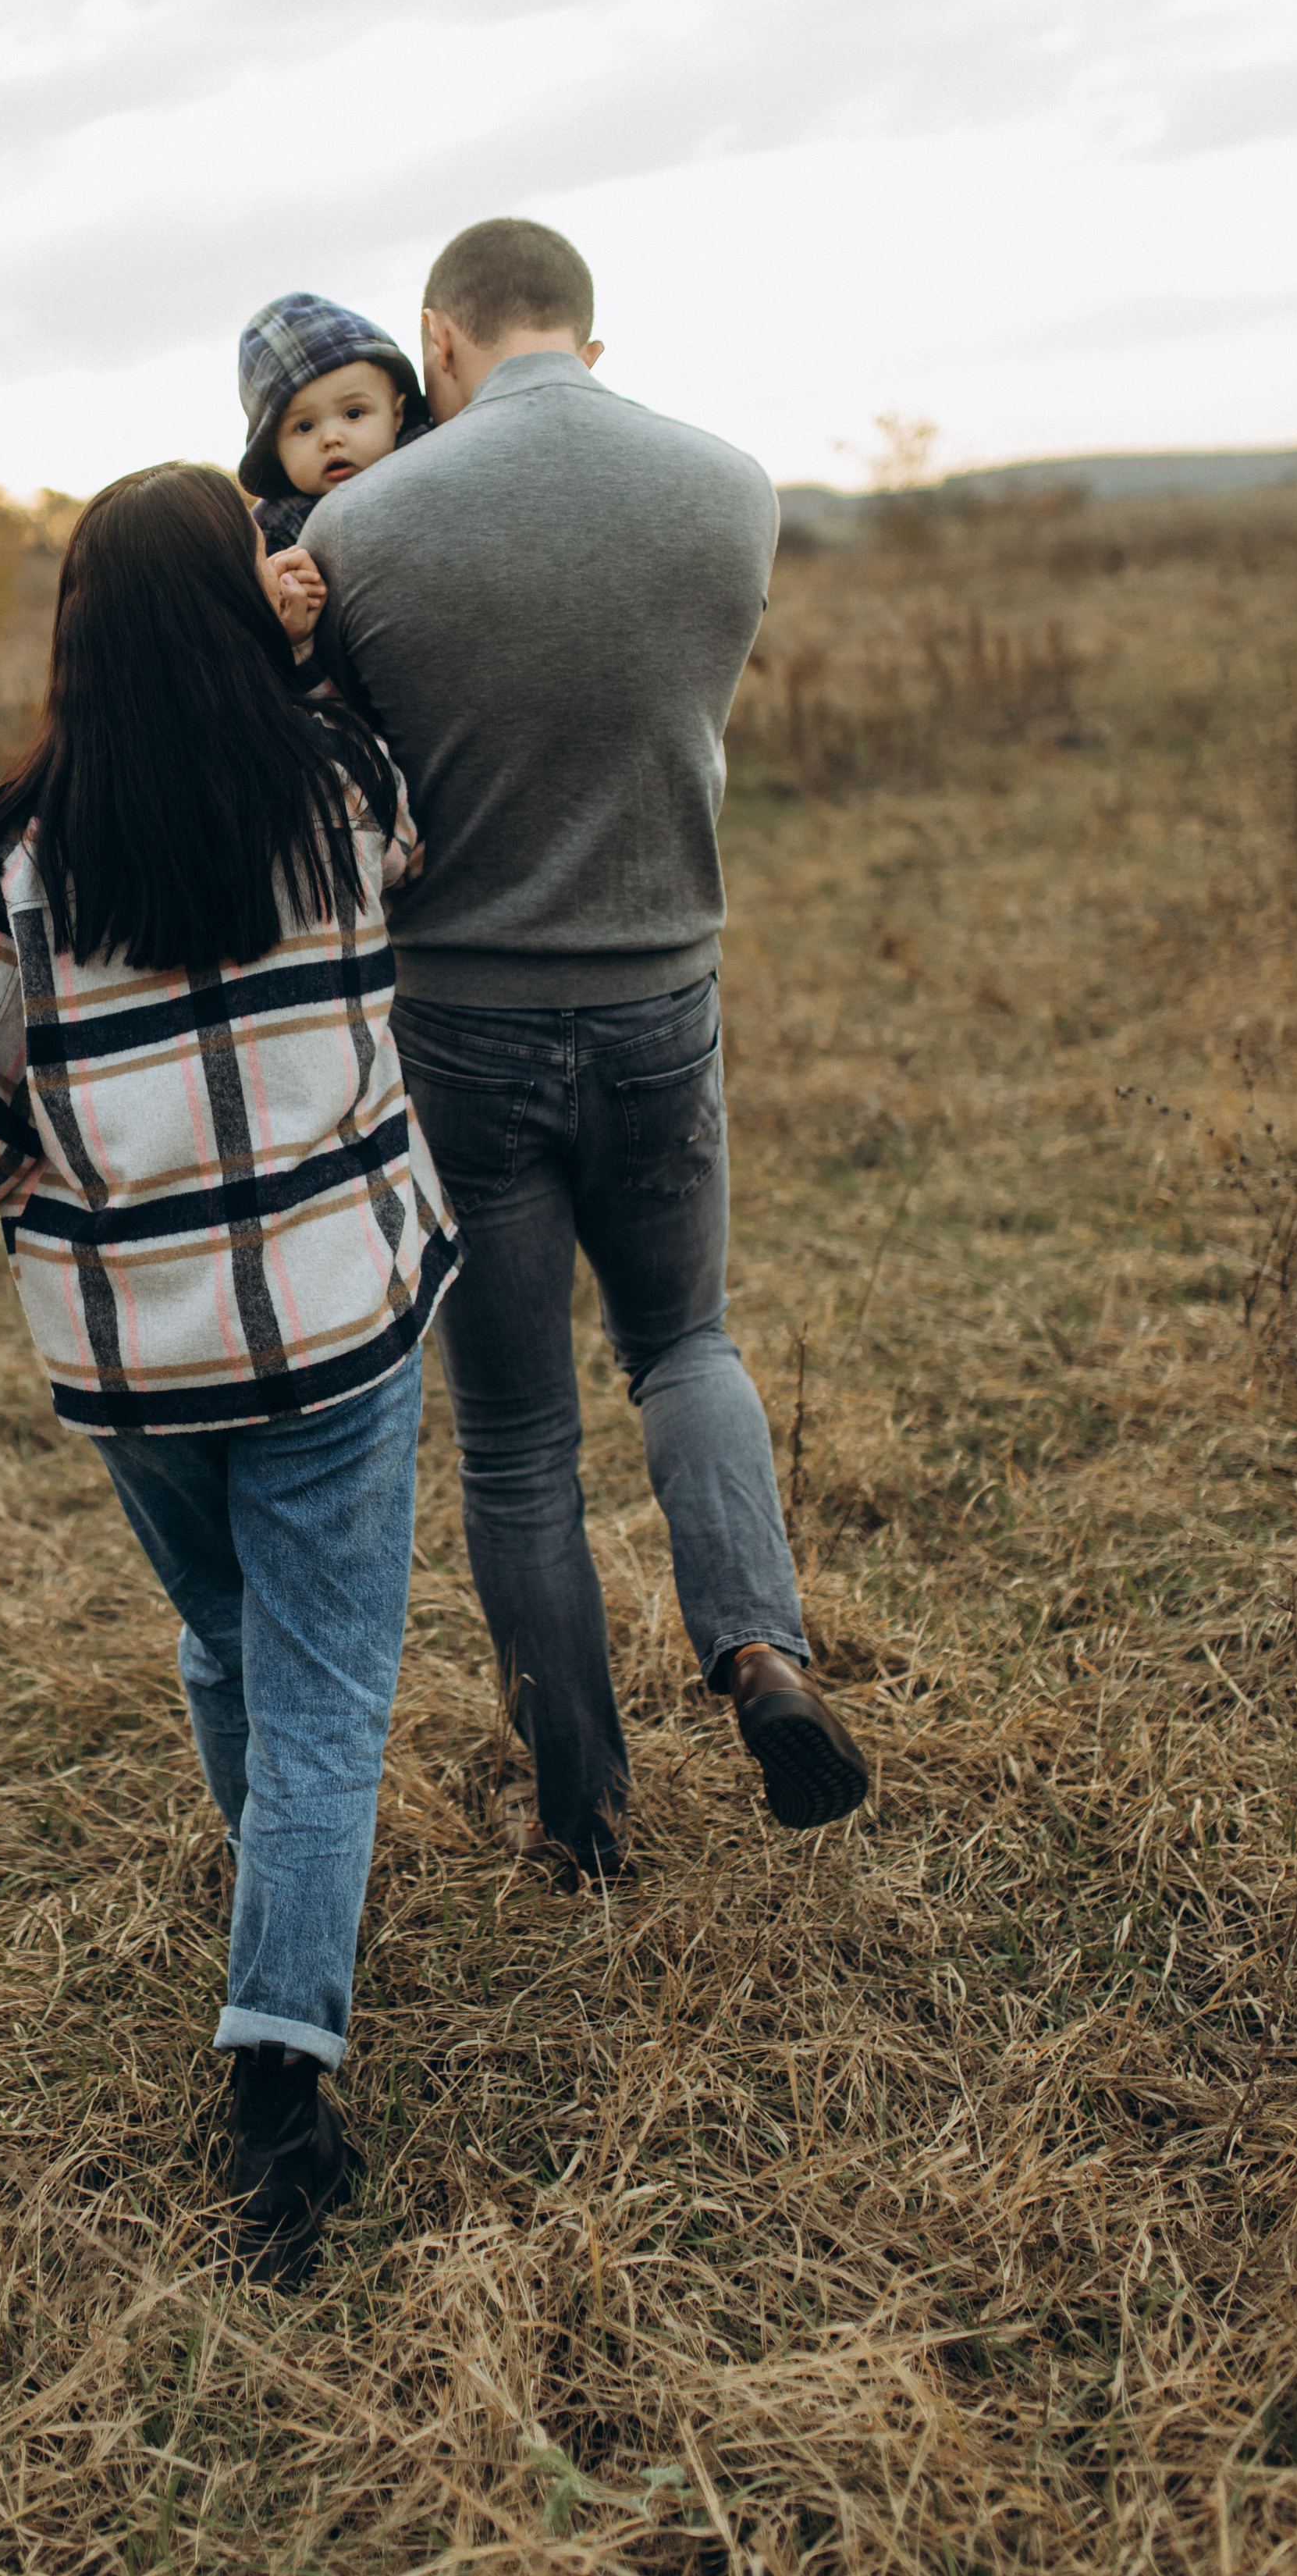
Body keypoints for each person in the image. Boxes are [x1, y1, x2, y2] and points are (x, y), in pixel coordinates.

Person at [0, 462, 460, 2285]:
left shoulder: (26, 844)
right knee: (322, 1693)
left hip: (133, 1353)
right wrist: (303, 657)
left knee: (228, 1642)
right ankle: (278, 2070)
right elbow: (414, 845)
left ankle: (275, 1894)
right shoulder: (338, 783)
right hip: (333, 1321)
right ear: (242, 606)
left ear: (79, 631)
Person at [299, 216, 870, 1874]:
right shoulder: (732, 489)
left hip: (462, 1028)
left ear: (439, 341)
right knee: (684, 1344)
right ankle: (758, 1651)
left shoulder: (358, 524)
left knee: (520, 1440)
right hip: (660, 999)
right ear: (589, 341)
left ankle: (583, 1815)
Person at [236, 290, 431, 555]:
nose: (331, 439)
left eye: (354, 413)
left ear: (397, 415)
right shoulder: (273, 531)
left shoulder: (429, 460)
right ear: (275, 450)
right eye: (305, 427)